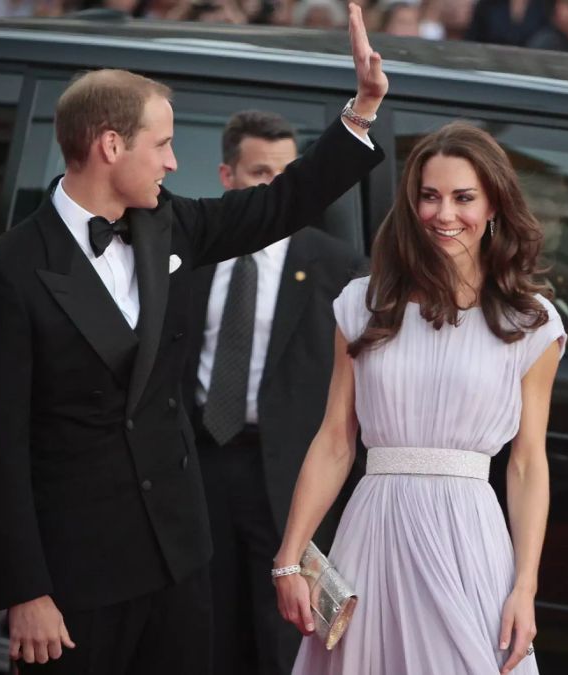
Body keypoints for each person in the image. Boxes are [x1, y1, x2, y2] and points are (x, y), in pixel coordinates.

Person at [0, 5, 387, 673]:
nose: (174, 160)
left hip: (179, 556)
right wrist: (25, 589)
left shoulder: (166, 225)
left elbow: (276, 206)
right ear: (109, 145)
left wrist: (357, 115)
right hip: (76, 576)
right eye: (162, 144)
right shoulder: (8, 273)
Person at [274, 122, 566, 675]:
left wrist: (525, 587)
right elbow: (336, 440)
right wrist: (291, 556)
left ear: (494, 205)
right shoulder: (363, 303)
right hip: (373, 535)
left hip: (470, 540)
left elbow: (528, 463)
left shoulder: (530, 322)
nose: (445, 214)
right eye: (429, 197)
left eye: (463, 198)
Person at [184, 110, 367, 675]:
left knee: (282, 629)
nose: (276, 187)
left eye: (287, 174)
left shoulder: (338, 266)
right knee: (205, 621)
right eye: (261, 173)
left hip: (287, 472)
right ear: (226, 176)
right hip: (199, 465)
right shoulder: (187, 254)